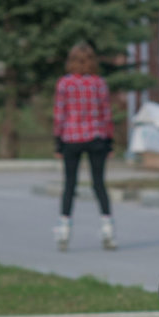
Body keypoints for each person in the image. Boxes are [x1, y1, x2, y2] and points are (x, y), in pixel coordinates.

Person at [53, 41, 117, 251]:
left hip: (71, 138)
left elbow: (60, 115)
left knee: (69, 184)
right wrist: (109, 140)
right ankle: (108, 228)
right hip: (96, 137)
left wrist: (57, 141)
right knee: (99, 183)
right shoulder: (99, 83)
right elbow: (106, 114)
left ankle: (64, 229)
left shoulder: (64, 84)